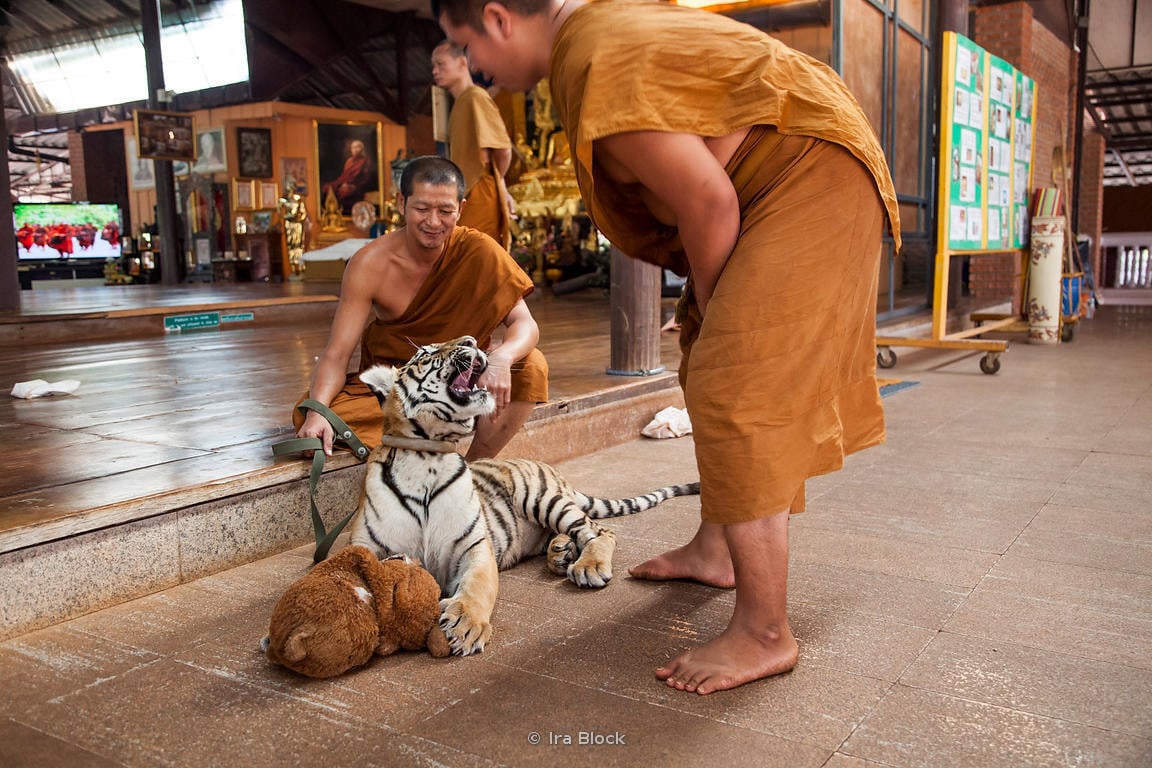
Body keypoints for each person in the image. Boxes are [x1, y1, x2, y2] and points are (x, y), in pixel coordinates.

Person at [435, 0, 902, 694]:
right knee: (703, 355)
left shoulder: (594, 56)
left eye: (463, 43)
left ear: (498, 17)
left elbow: (710, 200)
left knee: (735, 378)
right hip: (777, 166)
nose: (472, 66)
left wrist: (719, 315)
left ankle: (765, 630)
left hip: (809, 171)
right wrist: (707, 306)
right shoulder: (589, 36)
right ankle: (718, 548)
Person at [293, 155, 548, 460]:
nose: (433, 222)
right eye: (422, 209)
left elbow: (526, 324)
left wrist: (502, 358)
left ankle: (474, 470)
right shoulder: (370, 264)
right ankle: (433, 426)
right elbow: (337, 354)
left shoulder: (479, 251)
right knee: (319, 412)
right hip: (399, 389)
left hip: (460, 381)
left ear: (461, 209)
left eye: (446, 211)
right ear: (401, 203)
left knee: (531, 367)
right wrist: (319, 411)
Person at [431, 41, 515, 248]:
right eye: (433, 66)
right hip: (465, 191)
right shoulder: (461, 102)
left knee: (478, 257)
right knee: (464, 257)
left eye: (440, 64)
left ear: (462, 62)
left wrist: (500, 183)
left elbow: (503, 148)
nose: (435, 71)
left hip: (480, 190)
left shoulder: (476, 97)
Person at [321, 138, 376, 214]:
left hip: (356, 187)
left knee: (344, 193)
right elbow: (344, 176)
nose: (355, 149)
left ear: (362, 149)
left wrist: (354, 186)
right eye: (353, 147)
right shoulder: (349, 161)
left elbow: (366, 180)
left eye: (358, 147)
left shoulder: (366, 161)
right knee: (326, 188)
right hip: (343, 183)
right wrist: (341, 184)